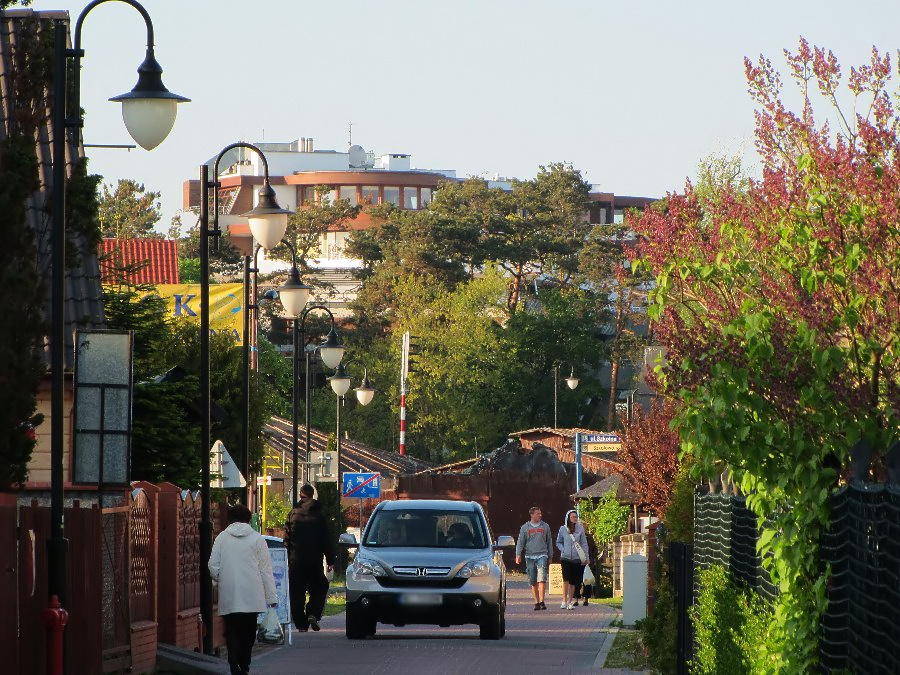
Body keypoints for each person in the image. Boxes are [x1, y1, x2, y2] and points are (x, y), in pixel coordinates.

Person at [208, 503, 277, 675]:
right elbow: (265, 570)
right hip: (252, 594)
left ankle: (233, 659)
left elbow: (212, 565)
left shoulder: (222, 538)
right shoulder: (258, 539)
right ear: (248, 519)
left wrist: (220, 580)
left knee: (231, 629)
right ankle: (244, 664)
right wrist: (271, 598)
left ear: (229, 519)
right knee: (248, 632)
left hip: (230, 592)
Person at [284, 484, 335, 633]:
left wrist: (287, 557)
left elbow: (286, 538)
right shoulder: (319, 516)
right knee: (320, 587)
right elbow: (326, 539)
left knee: (296, 591)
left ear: (300, 495)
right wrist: (330, 560)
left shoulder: (292, 514)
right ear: (313, 495)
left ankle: (300, 624)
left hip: (295, 560)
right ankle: (313, 613)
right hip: (314, 561)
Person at [515, 506, 554, 611]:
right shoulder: (525, 528)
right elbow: (520, 542)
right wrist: (518, 555)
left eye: (540, 513)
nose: (540, 515)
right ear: (532, 515)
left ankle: (542, 601)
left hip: (542, 555)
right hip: (529, 556)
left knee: (542, 578)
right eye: (537, 513)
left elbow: (549, 541)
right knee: (533, 580)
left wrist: (550, 555)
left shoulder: (545, 526)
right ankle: (536, 602)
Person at [556, 509, 589, 610]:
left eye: (576, 517)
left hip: (576, 558)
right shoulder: (563, 529)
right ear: (568, 518)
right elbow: (558, 542)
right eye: (573, 517)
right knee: (565, 579)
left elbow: (584, 543)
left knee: (573, 582)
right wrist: (563, 550)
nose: (575, 519)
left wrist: (586, 557)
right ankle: (564, 601)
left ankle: (570, 601)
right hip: (565, 558)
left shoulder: (580, 529)